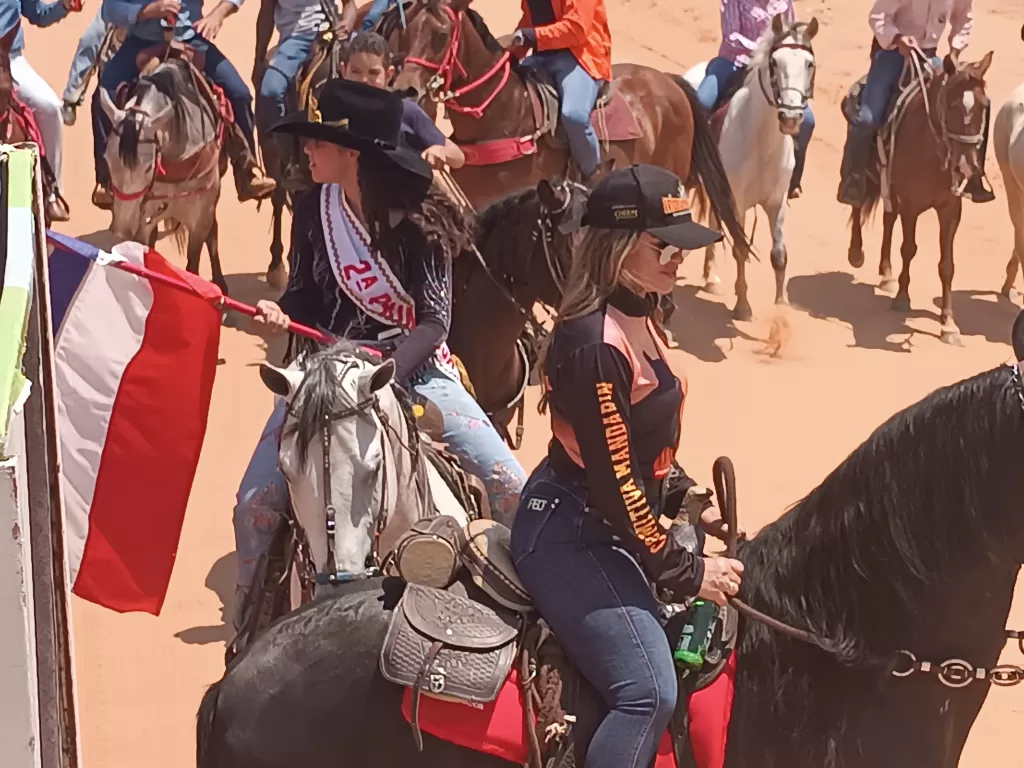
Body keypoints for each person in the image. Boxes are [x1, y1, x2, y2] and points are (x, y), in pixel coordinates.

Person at [232, 79, 526, 624]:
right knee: (255, 504)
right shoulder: (312, 209)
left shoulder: (422, 218)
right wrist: (281, 309)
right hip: (323, 376)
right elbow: (305, 293)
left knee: (510, 483)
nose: (307, 150)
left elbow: (434, 323)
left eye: (318, 142)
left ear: (354, 153)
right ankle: (249, 625)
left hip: (413, 370)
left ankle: (524, 619)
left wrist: (380, 369)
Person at [510, 164, 745, 768]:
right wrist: (688, 572)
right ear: (616, 246)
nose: (678, 258)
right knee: (648, 692)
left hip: (611, 523)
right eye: (663, 245)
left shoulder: (641, 312)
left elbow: (640, 447)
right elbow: (615, 486)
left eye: (681, 245)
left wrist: (685, 497)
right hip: (572, 533)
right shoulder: (595, 344)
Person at [92, 0, 276, 208]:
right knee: (103, 95)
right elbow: (110, 8)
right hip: (142, 43)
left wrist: (218, 14)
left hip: (192, 40)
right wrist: (146, 11)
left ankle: (247, 171)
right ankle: (106, 179)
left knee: (239, 93)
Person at [837, 0, 993, 207]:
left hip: (929, 58)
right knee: (867, 119)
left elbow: (964, 17)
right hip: (892, 56)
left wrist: (955, 50)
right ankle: (852, 180)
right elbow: (878, 16)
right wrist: (898, 38)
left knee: (981, 102)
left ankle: (975, 176)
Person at [696, 0, 814, 199]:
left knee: (808, 120)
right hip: (734, 63)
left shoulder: (784, 2)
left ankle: (793, 179)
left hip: (771, 69)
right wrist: (765, 49)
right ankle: (697, 166)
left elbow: (792, 34)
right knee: (702, 103)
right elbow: (732, 38)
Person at [509, 0, 612, 182]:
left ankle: (592, 176)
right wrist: (509, 55)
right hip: (542, 56)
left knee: (574, 116)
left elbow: (576, 30)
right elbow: (530, 20)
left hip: (580, 57)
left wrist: (532, 36)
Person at [339, 32, 464, 170]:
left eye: (373, 73)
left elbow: (458, 157)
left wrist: (440, 150)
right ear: (344, 71)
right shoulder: (333, 116)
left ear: (388, 75)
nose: (364, 80)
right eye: (355, 72)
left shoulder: (407, 111)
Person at [1, 0, 78, 221]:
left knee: (50, 107)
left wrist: (63, 6)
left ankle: (52, 192)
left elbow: (39, 13)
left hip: (9, 61)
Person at [252, 0, 356, 136]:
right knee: (271, 91)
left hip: (332, 33)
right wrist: (259, 58)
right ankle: (283, 143)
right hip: (295, 40)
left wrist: (347, 22)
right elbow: (267, 10)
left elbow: (350, 4)